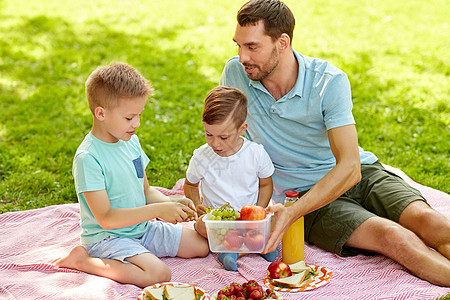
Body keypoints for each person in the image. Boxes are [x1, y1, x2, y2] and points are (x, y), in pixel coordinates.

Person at [220, 0, 450, 286]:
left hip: (359, 173)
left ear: (282, 42)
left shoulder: (328, 81)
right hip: (304, 195)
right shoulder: (235, 75)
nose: (242, 57)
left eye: (252, 47)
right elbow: (223, 138)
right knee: (394, 237)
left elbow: (351, 167)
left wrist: (290, 215)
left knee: (431, 223)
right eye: (238, 46)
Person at [54, 62, 209, 288]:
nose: (136, 124)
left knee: (200, 246)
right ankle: (84, 261)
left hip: (141, 229)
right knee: (158, 274)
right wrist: (157, 211)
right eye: (129, 118)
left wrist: (170, 205)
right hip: (108, 238)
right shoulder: (88, 158)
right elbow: (105, 218)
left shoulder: (130, 142)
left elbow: (145, 190)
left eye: (139, 115)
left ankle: (137, 254)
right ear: (101, 113)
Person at [184, 86, 278, 271]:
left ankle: (236, 248)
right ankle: (249, 248)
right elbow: (190, 185)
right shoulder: (202, 156)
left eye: (223, 137)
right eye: (208, 134)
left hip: (249, 218)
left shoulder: (256, 153)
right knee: (200, 226)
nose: (215, 143)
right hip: (219, 221)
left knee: (276, 219)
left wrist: (260, 209)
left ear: (242, 129)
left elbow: (266, 183)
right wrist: (196, 204)